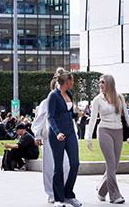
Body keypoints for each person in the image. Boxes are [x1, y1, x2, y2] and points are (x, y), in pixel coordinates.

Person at [85, 74, 129, 204]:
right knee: (111, 164)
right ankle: (115, 195)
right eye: (99, 82)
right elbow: (92, 120)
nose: (100, 85)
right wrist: (89, 138)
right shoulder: (97, 99)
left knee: (114, 165)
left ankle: (101, 191)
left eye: (103, 82)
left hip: (118, 131)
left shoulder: (119, 98)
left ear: (109, 84)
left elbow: (127, 116)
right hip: (104, 131)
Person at [33, 78, 70, 204]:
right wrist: (37, 135)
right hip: (50, 137)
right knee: (50, 166)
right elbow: (39, 119)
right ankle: (51, 193)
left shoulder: (66, 101)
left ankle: (62, 191)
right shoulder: (46, 102)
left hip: (65, 137)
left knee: (66, 165)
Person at [47, 68, 81, 207]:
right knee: (58, 167)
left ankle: (68, 194)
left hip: (70, 133)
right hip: (57, 135)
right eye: (72, 81)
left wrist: (78, 114)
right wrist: (57, 132)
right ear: (67, 81)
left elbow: (68, 113)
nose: (73, 83)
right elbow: (51, 117)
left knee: (75, 163)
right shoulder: (53, 96)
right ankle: (58, 198)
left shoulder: (69, 94)